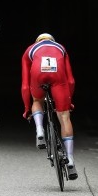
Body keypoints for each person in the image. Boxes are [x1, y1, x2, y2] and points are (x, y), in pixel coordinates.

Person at [21, 33, 78, 180]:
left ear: (37, 41)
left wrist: (27, 108)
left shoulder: (30, 50)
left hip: (38, 76)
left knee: (37, 101)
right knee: (64, 116)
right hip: (58, 78)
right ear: (52, 41)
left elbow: (25, 86)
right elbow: (70, 80)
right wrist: (68, 101)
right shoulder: (60, 48)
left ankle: (39, 131)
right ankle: (70, 160)